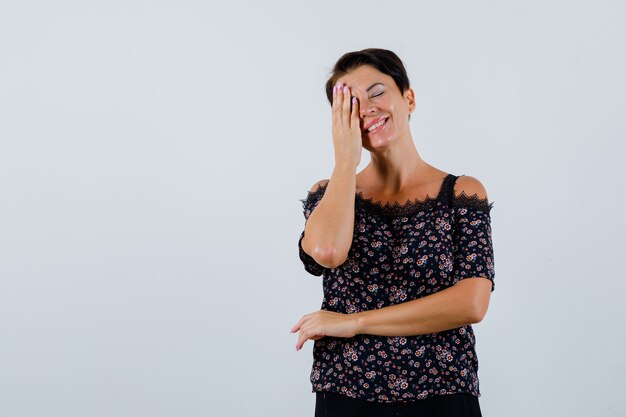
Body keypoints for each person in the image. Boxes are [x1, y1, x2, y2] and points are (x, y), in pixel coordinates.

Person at [289, 48, 495, 417]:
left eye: (377, 91)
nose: (366, 107)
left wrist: (353, 323)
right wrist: (345, 162)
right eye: (350, 103)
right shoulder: (328, 194)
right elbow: (327, 251)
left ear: (409, 97)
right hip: (347, 393)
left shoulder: (462, 193)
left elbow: (471, 303)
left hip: (443, 392)